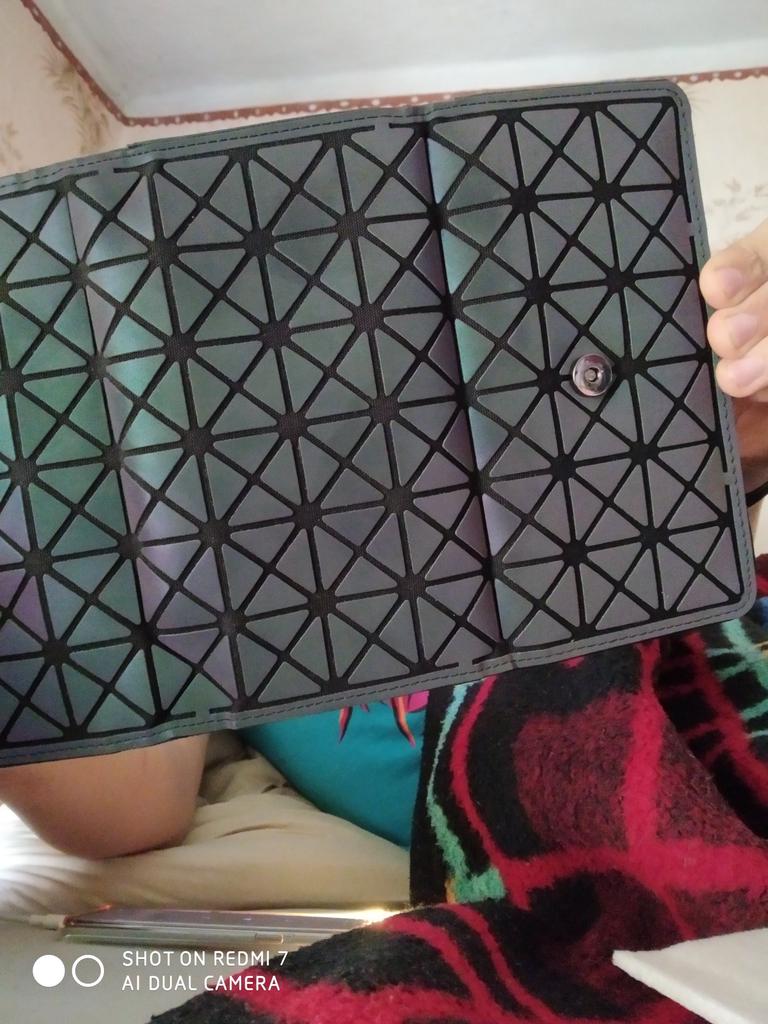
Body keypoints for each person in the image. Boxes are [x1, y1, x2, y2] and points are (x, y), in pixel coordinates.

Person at [2, 219, 768, 861]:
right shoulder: (179, 580)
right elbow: (129, 809)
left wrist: (741, 444)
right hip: (602, 790)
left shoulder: (488, 436)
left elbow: (694, 578)